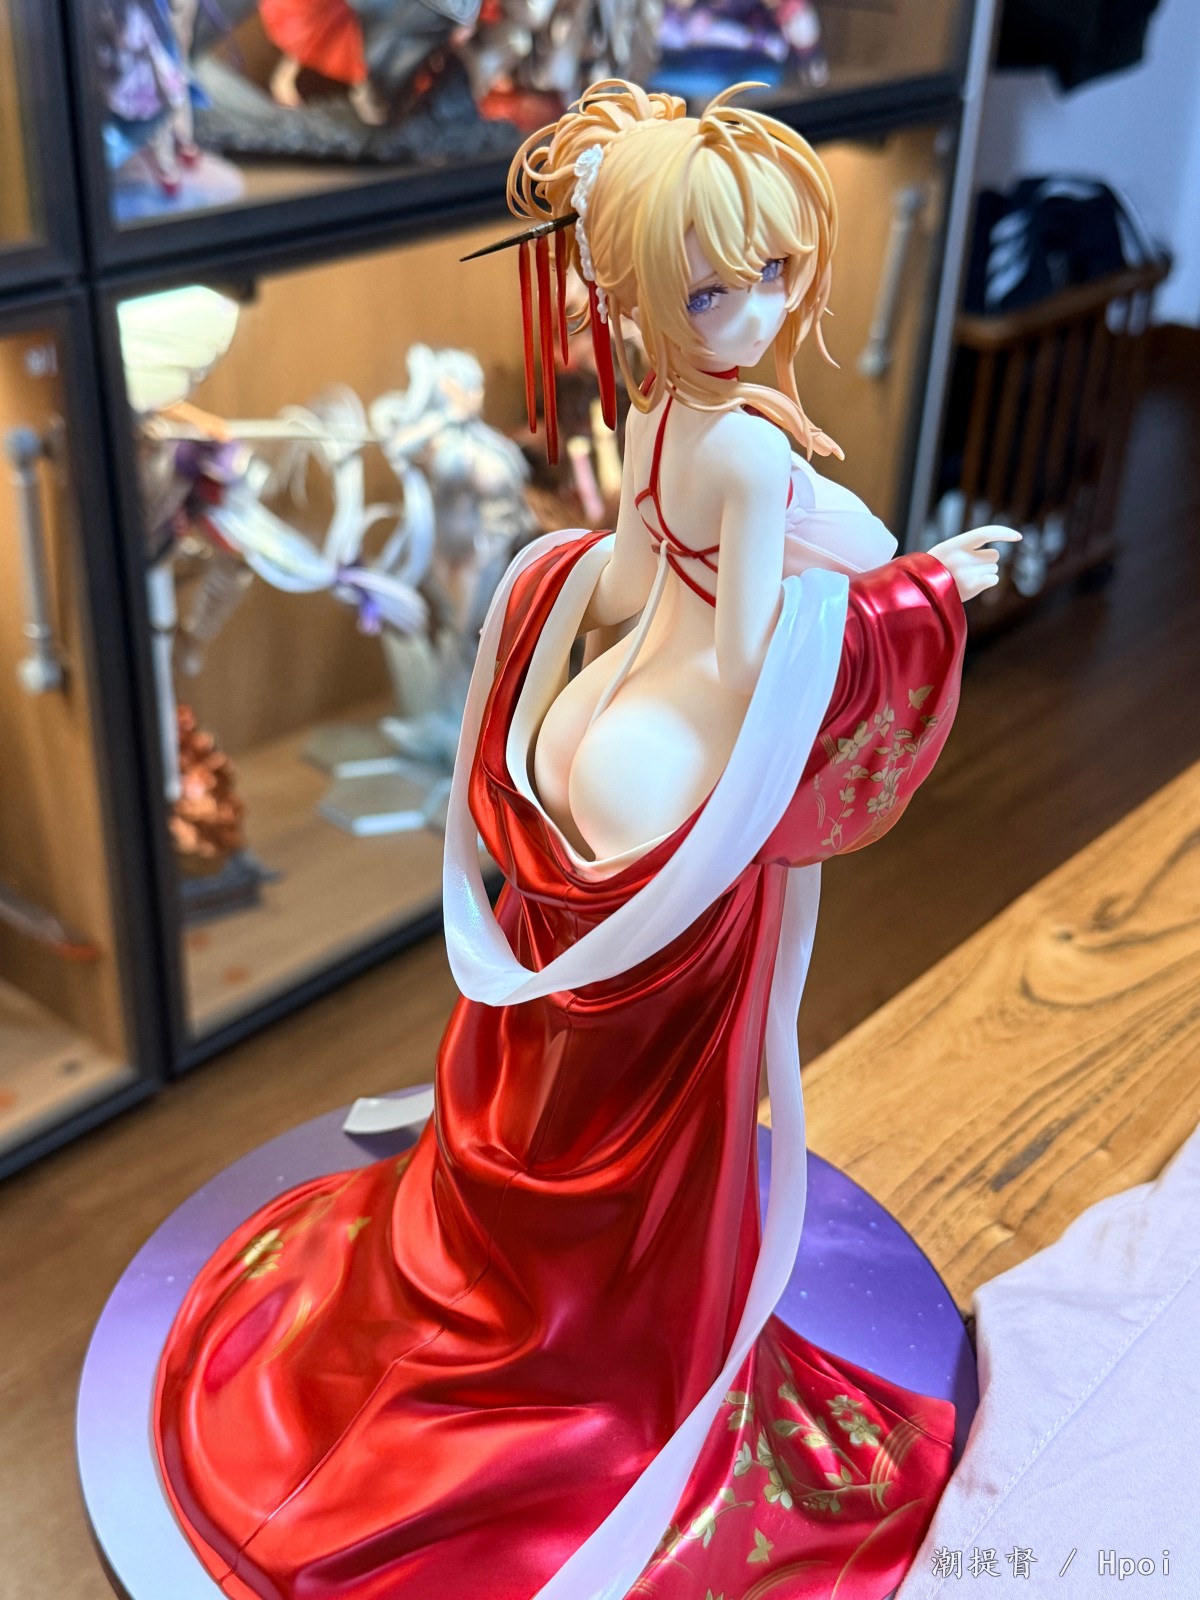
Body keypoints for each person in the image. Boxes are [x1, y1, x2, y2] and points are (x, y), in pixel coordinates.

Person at [154, 80, 1017, 1600]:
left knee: (577, 1033)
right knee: (662, 1059)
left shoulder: (660, 413)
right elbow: (749, 657)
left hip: (589, 733)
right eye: (717, 287)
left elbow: (618, 584)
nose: (760, 311)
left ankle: (526, 1229)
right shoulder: (747, 453)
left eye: (775, 274)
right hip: (675, 759)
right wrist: (918, 594)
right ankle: (610, 1311)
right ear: (641, 292)